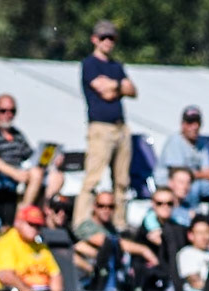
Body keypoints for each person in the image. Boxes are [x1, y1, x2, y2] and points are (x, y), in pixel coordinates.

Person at [76, 20, 136, 226]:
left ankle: (120, 224)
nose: (108, 42)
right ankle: (81, 222)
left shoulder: (116, 66)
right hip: (101, 127)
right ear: (95, 39)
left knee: (122, 182)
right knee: (93, 178)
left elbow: (132, 90)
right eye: (104, 37)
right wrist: (119, 86)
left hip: (120, 127)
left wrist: (115, 85)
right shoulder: (89, 64)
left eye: (111, 38)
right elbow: (104, 91)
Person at [0, 94, 44, 216]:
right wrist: (14, 173)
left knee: (49, 175)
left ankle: (33, 212)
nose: (8, 115)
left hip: (17, 179)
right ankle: (23, 216)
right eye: (3, 111)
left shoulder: (17, 134)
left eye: (12, 111)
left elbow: (31, 156)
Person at [155, 107, 209, 210]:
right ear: (183, 125)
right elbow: (178, 173)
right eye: (190, 123)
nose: (194, 127)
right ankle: (191, 217)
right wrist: (208, 174)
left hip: (193, 180)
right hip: (169, 182)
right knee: (192, 187)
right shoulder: (175, 141)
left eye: (197, 123)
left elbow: (206, 169)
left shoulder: (201, 144)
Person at [176, 217, 209, 291]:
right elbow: (196, 283)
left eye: (207, 232)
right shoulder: (187, 253)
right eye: (200, 233)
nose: (204, 237)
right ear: (190, 235)